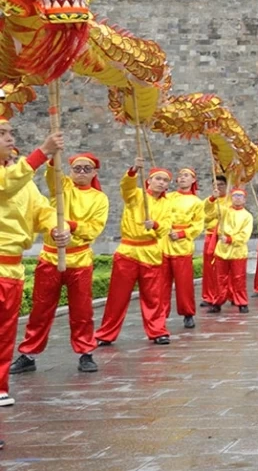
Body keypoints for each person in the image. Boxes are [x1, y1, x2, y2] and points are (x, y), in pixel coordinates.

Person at [13, 151, 108, 376]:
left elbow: (94, 228)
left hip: (80, 259)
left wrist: (70, 226)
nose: (81, 172)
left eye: (87, 169)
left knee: (82, 310)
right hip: (50, 257)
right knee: (41, 308)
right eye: (77, 168)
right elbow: (51, 171)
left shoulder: (99, 198)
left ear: (94, 172)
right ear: (70, 170)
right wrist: (53, 152)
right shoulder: (61, 186)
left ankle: (85, 352)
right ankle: (29, 353)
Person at [0, 121, 61, 408]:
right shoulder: (12, 177)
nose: (10, 138)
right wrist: (41, 154)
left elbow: (41, 210)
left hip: (12, 268)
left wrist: (55, 228)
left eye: (11, 132)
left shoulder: (23, 179)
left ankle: (0, 386)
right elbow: (4, 187)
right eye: (2, 134)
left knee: (5, 332)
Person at [96, 160, 172, 347]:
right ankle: (106, 333)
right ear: (149, 181)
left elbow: (166, 226)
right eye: (158, 179)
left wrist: (154, 225)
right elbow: (126, 187)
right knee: (118, 296)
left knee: (153, 297)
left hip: (151, 252)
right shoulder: (136, 195)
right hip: (128, 251)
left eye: (165, 180)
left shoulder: (167, 204)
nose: (161, 183)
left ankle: (158, 331)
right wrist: (133, 171)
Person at [160, 167, 205, 329]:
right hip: (164, 242)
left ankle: (188, 313)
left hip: (182, 245)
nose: (183, 178)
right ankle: (160, 315)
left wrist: (181, 234)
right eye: (180, 176)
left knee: (184, 283)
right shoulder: (167, 197)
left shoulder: (197, 202)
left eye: (186, 176)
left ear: (193, 180)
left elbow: (198, 225)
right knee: (161, 284)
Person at [209, 189, 253, 314]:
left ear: (244, 199)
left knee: (239, 278)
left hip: (238, 251)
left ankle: (242, 302)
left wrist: (230, 239)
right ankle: (217, 302)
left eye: (240, 196)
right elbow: (209, 211)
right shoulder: (224, 210)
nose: (237, 198)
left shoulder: (247, 216)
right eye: (235, 196)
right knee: (219, 278)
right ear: (231, 198)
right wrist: (213, 198)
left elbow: (245, 235)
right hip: (222, 250)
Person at [200, 175, 230, 309]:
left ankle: (229, 294)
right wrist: (214, 206)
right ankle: (209, 295)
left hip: (225, 236)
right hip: (210, 234)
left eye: (221, 185)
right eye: (215, 185)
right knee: (209, 267)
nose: (218, 187)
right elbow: (204, 217)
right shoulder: (208, 201)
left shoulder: (231, 200)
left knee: (226, 267)